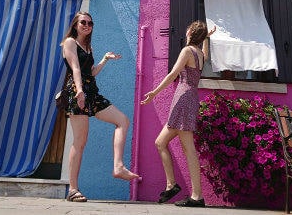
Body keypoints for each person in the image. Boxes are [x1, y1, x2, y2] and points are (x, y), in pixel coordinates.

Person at [61, 11, 139, 202]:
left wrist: (104, 59)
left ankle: (118, 166)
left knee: (122, 120)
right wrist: (79, 91)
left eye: (90, 23)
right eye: (83, 23)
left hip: (92, 92)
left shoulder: (89, 47)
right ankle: (72, 189)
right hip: (77, 91)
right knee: (80, 142)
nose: (87, 26)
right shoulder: (70, 43)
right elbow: (76, 69)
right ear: (75, 25)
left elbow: (91, 72)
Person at [141, 20, 215, 207]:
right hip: (188, 98)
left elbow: (173, 74)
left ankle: (197, 197)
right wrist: (206, 38)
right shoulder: (199, 54)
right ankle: (172, 184)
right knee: (160, 142)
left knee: (188, 149)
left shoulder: (187, 51)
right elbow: (205, 53)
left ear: (190, 33)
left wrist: (154, 93)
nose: (186, 30)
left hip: (183, 98)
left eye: (188, 29)